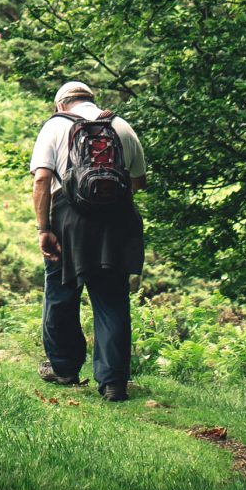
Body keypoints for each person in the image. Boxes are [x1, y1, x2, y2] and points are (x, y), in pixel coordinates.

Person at [31, 79, 147, 401]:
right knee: (111, 300)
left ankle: (65, 367)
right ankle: (113, 383)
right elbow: (139, 181)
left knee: (61, 293)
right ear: (92, 100)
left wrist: (44, 229)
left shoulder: (54, 127)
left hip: (68, 221)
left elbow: (42, 178)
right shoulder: (121, 126)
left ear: (60, 105)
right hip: (117, 222)